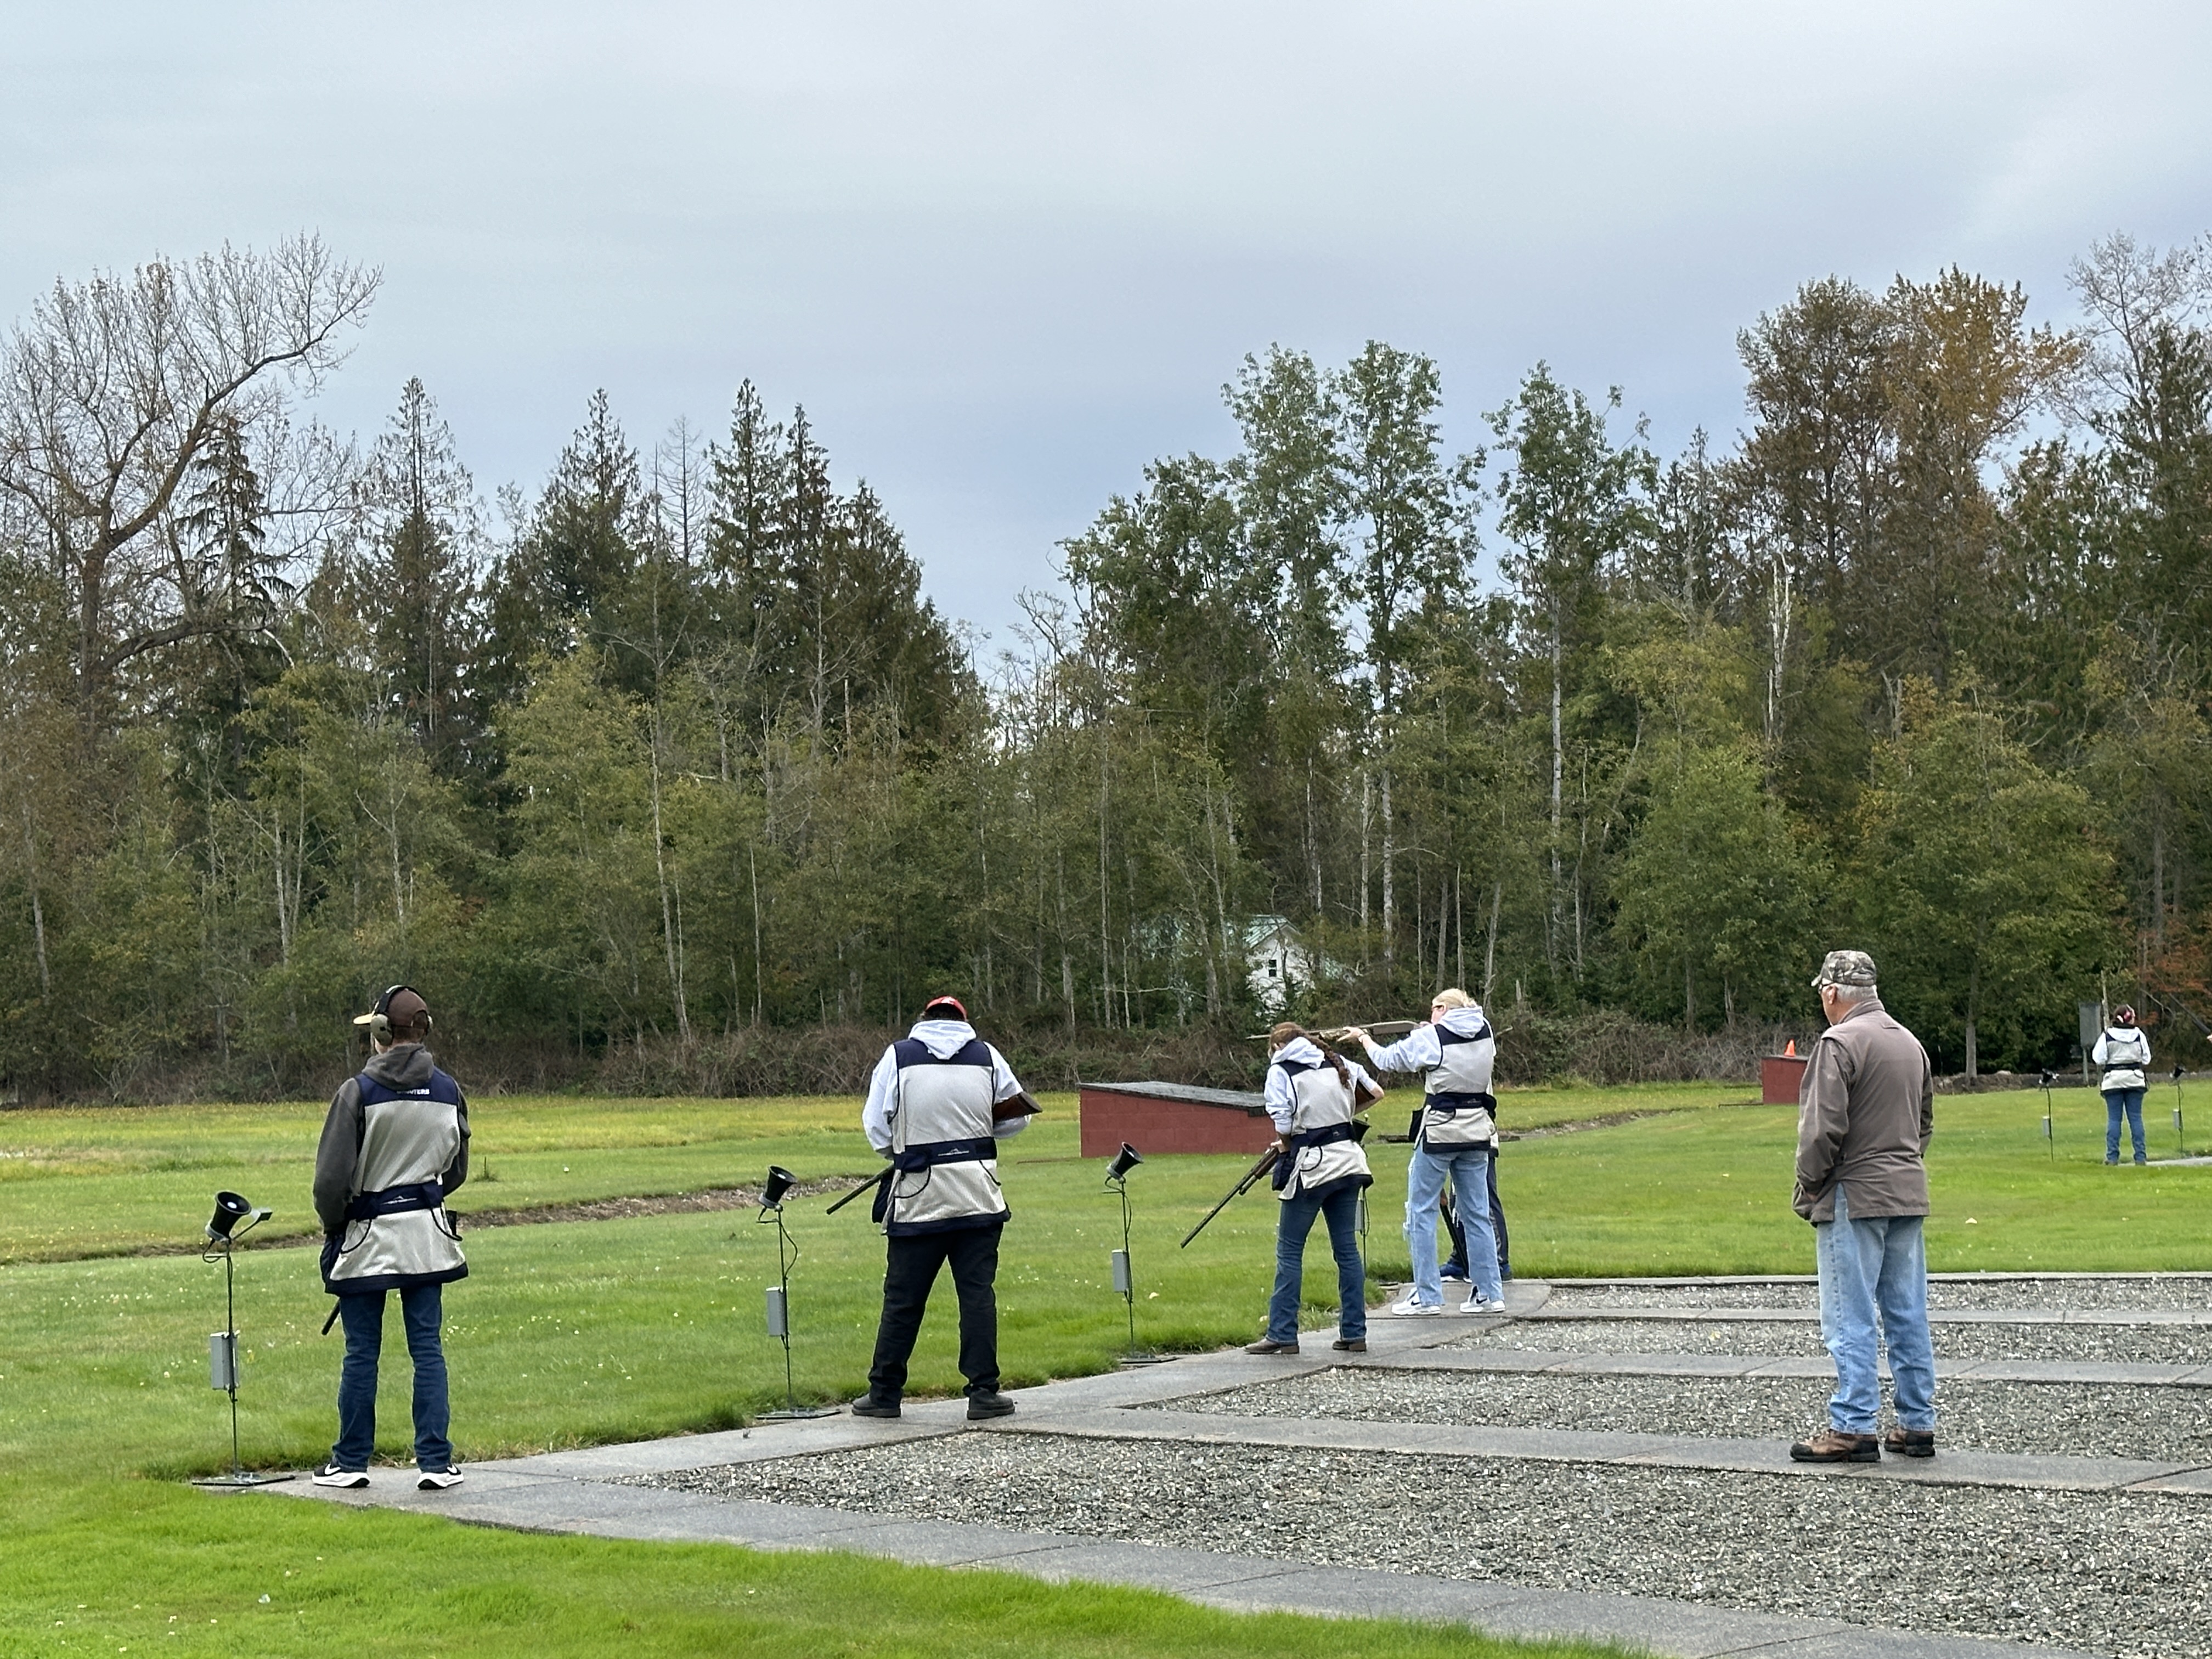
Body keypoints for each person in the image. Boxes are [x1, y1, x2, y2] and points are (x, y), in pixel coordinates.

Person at [311, 985, 470, 1491]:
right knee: (428, 1348)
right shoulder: (449, 1091)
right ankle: (436, 1463)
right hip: (427, 1236)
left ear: (381, 1033)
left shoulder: (356, 1093)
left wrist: (337, 1226)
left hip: (367, 1238)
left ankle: (352, 1462)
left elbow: (329, 1184)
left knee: (362, 1353)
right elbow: (457, 1170)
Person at [1788, 951, 1938, 1464]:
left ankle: (1853, 1425)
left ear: (1832, 992)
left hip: (1855, 1191)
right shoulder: (1910, 1043)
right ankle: (1917, 1423)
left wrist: (1810, 1185)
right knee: (1906, 1311)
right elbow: (1923, 1125)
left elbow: (1821, 1131)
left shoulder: (1839, 1043)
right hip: (1907, 1189)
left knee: (1848, 1314)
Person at [851, 995, 1031, 1421]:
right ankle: (984, 1392)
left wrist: (900, 1150)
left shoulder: (898, 1056)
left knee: (902, 1301)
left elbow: (876, 1125)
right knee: (977, 1298)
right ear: (964, 1021)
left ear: (924, 1019)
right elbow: (1018, 1117)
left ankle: (884, 1394)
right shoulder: (987, 1056)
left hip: (918, 1200)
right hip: (978, 1196)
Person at [1350, 991, 1506, 1317]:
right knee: (1477, 1214)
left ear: (1442, 1009)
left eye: (1434, 1009)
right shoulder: (1485, 1029)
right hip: (1477, 1130)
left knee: (1420, 1213)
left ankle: (1427, 1295)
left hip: (1440, 1132)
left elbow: (1387, 1060)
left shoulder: (1431, 1036)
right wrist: (1425, 1033)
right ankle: (1490, 1292)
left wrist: (1364, 1039)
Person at [1246, 1023, 1379, 1356]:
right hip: (1349, 1161)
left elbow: (1284, 1124)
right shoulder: (1336, 1061)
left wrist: (1287, 1143)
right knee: (1347, 1251)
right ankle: (1354, 1333)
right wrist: (1339, 1119)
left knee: (1290, 1251)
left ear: (1277, 1046)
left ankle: (1282, 1334)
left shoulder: (1281, 1071)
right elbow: (1375, 1093)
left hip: (1313, 1166)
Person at [2093, 1006, 2153, 1166]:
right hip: (2135, 1079)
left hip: (2113, 1080)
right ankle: (2140, 1157)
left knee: (2114, 1119)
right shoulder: (2139, 1035)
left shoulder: (2107, 1035)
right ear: (2130, 1019)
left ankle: (2112, 1157)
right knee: (2136, 1118)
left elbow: (2098, 1058)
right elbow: (2147, 1059)